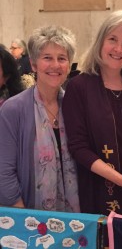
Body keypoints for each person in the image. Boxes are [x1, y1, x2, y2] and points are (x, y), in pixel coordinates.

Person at [62, 10, 122, 217]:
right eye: (112, 39)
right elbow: (78, 147)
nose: (119, 48)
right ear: (101, 42)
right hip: (98, 191)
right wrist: (120, 179)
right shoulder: (78, 87)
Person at [0, 25, 80, 212]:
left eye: (62, 58)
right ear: (34, 64)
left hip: (75, 219)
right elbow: (3, 172)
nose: (55, 65)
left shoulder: (74, 106)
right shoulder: (13, 109)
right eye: (47, 58)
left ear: (69, 66)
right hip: (28, 217)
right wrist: (25, 218)